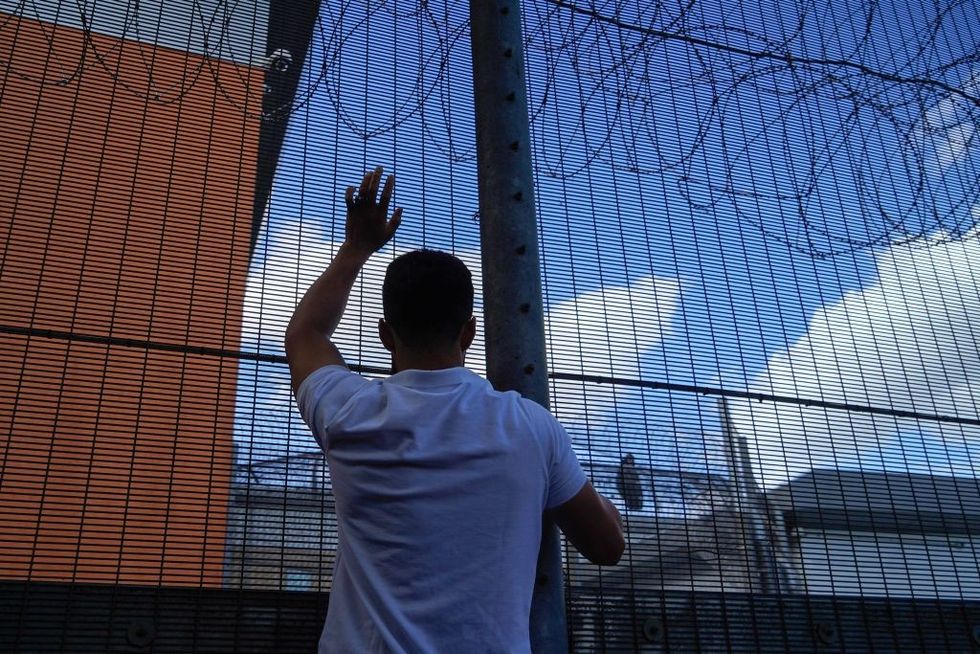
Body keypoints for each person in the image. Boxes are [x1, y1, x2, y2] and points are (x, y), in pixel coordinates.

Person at [285, 166, 624, 653]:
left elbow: (305, 334)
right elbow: (608, 546)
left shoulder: (350, 413)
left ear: (385, 335)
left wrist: (356, 247)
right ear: (468, 333)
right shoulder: (529, 427)